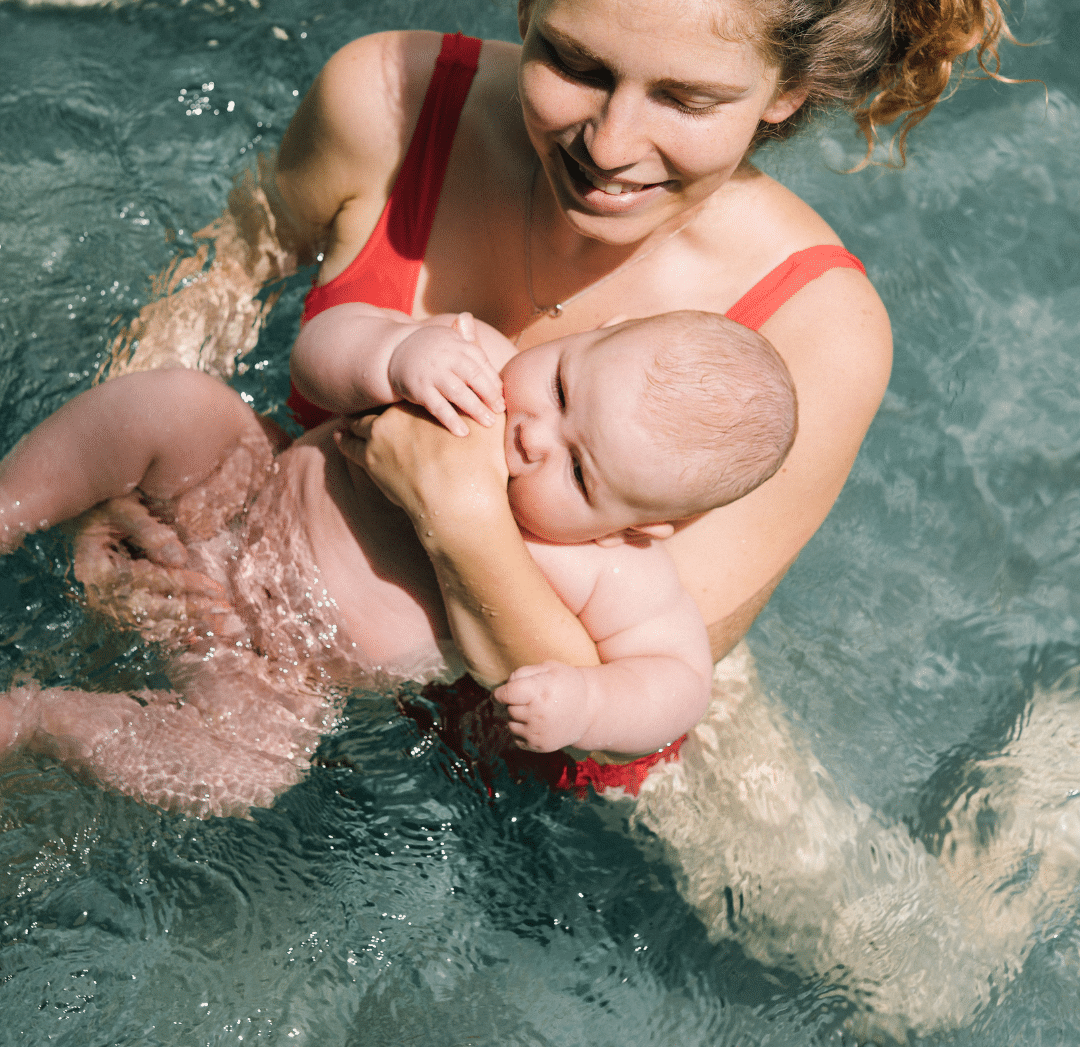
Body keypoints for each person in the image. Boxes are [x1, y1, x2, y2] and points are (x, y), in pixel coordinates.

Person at [100, 0, 1016, 1030]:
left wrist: (456, 511)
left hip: (584, 686)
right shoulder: (389, 104)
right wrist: (134, 510)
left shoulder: (813, 327)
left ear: (786, 94)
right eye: (575, 64)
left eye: (689, 101)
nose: (611, 142)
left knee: (927, 993)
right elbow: (228, 273)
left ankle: (1046, 802)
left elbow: (620, 711)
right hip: (281, 559)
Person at [0, 303, 796, 811]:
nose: (533, 433)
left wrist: (590, 707)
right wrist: (394, 354)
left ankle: (35, 717)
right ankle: (12, 506)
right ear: (578, 334)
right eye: (558, 384)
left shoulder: (610, 567)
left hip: (279, 666)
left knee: (250, 769)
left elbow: (679, 682)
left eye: (579, 470)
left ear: (647, 527)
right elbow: (318, 349)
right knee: (173, 403)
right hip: (235, 494)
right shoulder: (469, 362)